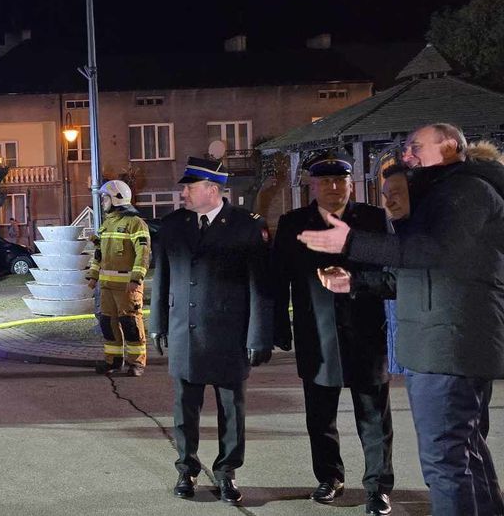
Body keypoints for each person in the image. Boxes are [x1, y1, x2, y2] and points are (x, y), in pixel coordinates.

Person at [298, 124, 504, 516]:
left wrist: (352, 243)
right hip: (446, 341)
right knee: (465, 452)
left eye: (415, 147)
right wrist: (355, 281)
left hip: (450, 344)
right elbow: (414, 269)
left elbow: (432, 250)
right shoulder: (451, 190)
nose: (407, 154)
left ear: (448, 147)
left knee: (445, 459)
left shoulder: (465, 190)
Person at [271, 153, 393, 515]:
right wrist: (279, 327)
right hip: (317, 336)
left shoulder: (373, 220)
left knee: (374, 420)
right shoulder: (294, 224)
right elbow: (278, 281)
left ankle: (378, 487)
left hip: (367, 337)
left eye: (341, 181)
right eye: (325, 182)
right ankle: (329, 478)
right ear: (312, 185)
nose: (334, 188)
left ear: (351, 183)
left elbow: (392, 277)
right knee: (320, 418)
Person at [149, 156, 274, 505]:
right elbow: (163, 277)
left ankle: (226, 473)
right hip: (184, 331)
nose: (183, 193)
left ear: (212, 189)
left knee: (232, 410)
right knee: (184, 407)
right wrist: (157, 323)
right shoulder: (173, 225)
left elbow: (259, 285)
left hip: (229, 334)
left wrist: (258, 335)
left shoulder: (246, 225)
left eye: (189, 187)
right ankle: (186, 469)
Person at [85, 180, 152, 376]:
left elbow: (143, 253)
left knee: (130, 324)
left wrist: (136, 278)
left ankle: (136, 364)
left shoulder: (135, 223)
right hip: (106, 286)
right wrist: (93, 276)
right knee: (108, 324)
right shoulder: (106, 224)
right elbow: (99, 253)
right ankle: (113, 361)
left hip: (127, 287)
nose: (103, 201)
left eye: (105, 197)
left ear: (117, 198)